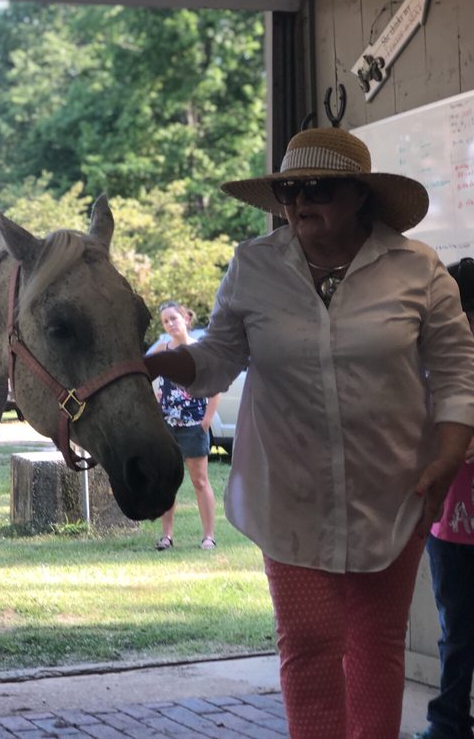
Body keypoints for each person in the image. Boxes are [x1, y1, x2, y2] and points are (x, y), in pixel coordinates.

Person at [143, 126, 474, 739]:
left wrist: (451, 452)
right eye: (291, 189)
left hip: (392, 489)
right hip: (288, 491)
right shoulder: (254, 265)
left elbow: (457, 368)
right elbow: (218, 356)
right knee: (309, 642)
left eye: (318, 187)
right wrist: (153, 364)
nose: (300, 201)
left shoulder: (416, 267)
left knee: (377, 642)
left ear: (359, 196)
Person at [415, 258, 474, 739]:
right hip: (449, 527)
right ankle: (448, 722)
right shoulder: (432, 368)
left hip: (451, 525)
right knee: (456, 631)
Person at [149, 300, 220, 551]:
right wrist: (154, 397)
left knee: (200, 481)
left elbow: (215, 385)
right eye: (166, 321)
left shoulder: (200, 350)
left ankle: (208, 536)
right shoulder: (162, 349)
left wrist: (207, 420)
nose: (170, 324)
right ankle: (166, 537)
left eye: (174, 319)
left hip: (193, 425)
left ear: (186, 319)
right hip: (167, 426)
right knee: (168, 482)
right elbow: (141, 372)